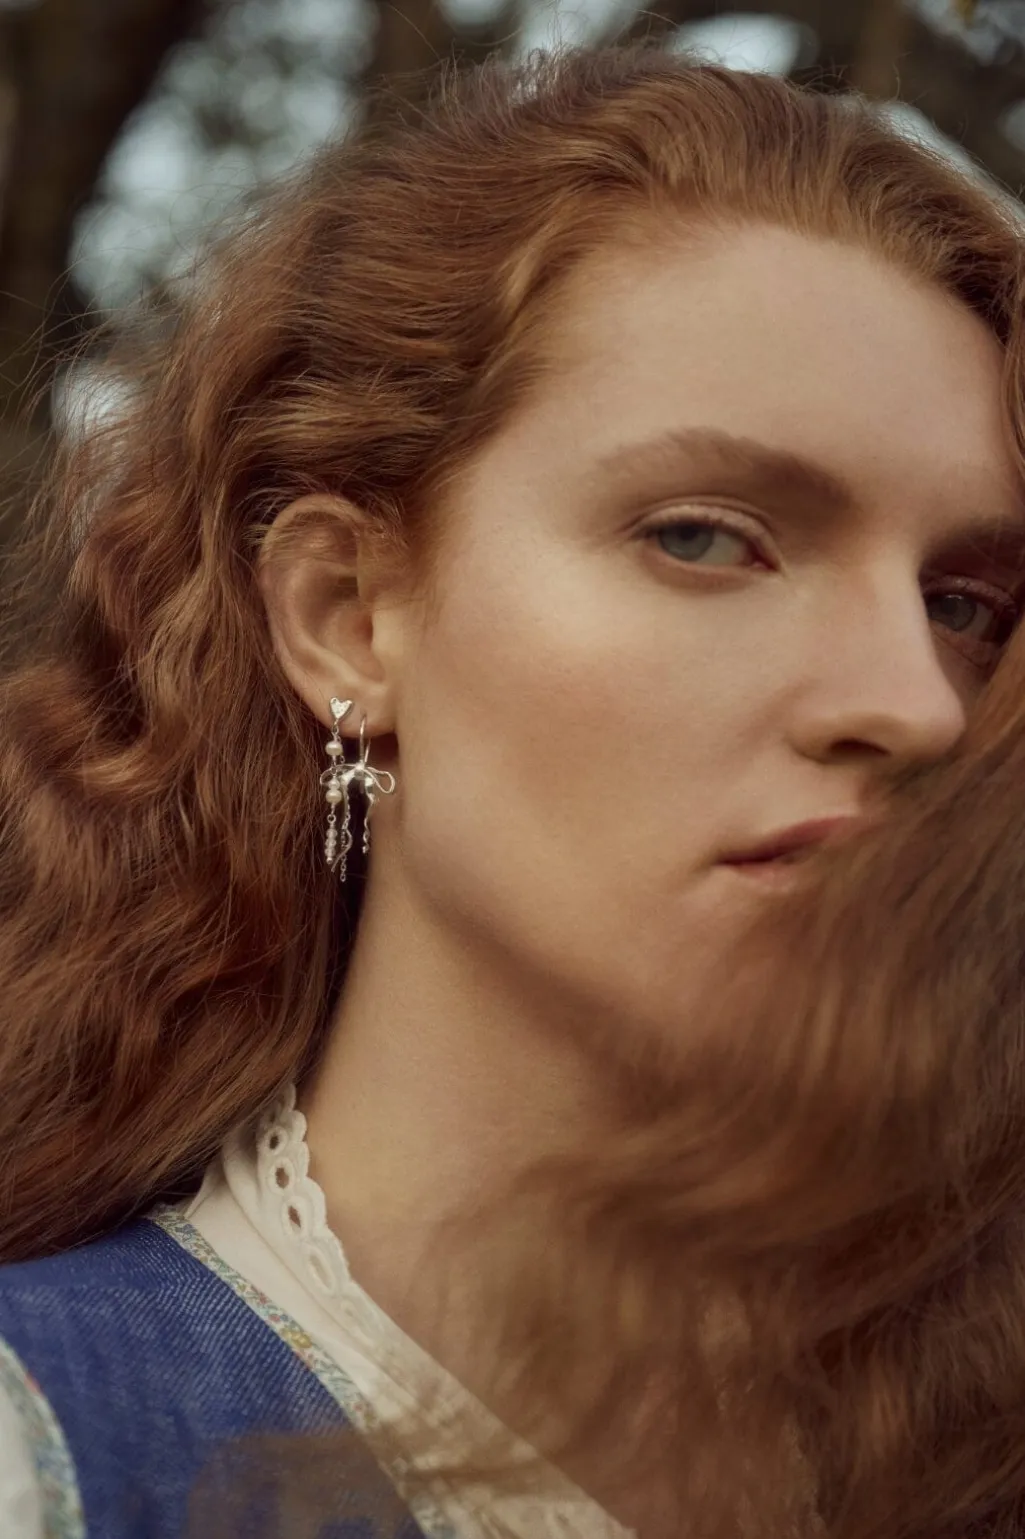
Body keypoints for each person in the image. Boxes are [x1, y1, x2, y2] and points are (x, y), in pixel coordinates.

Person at [3, 33, 1025, 1539]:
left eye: (966, 604)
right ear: (349, 617)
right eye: (704, 537)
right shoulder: (51, 1454)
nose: (918, 705)